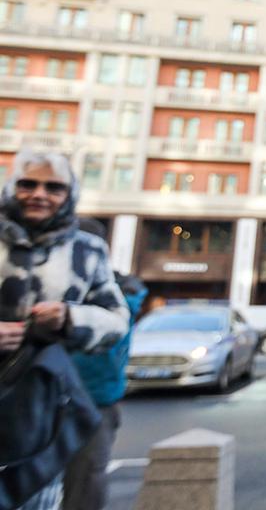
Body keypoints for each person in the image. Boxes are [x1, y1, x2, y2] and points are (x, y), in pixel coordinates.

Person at [0, 151, 131, 510]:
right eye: (28, 184)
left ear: (68, 194)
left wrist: (71, 319)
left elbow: (117, 320)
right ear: (11, 187)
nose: (39, 194)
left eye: (54, 187)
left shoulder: (86, 250)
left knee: (35, 497)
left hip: (39, 408)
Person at [62, 270, 147, 510]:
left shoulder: (105, 299)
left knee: (82, 480)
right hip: (99, 399)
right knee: (85, 480)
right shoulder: (119, 298)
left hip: (87, 398)